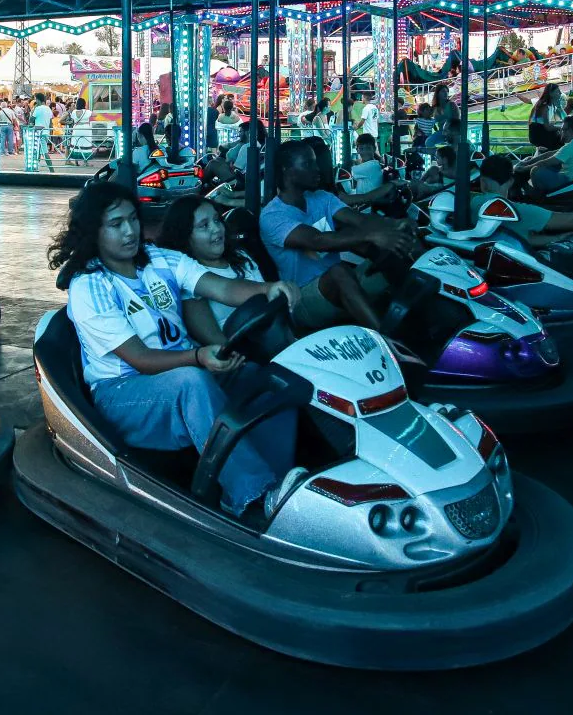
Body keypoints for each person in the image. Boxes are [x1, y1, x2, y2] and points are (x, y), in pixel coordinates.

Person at [53, 183, 303, 518]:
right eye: (115, 224)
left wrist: (268, 288)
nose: (129, 232)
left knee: (267, 381)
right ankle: (251, 496)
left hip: (183, 374)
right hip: (124, 393)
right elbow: (139, 359)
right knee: (192, 383)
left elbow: (221, 286)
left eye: (132, 220)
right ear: (92, 232)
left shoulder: (160, 259)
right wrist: (198, 357)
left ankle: (278, 487)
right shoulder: (91, 286)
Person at [261, 139, 414, 331]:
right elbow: (317, 240)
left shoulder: (322, 198)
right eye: (308, 164)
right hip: (302, 300)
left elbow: (360, 220)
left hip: (342, 285)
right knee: (339, 271)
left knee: (395, 252)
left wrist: (395, 224)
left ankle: (424, 324)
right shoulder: (272, 215)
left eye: (315, 162)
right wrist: (371, 236)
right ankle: (389, 343)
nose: (317, 169)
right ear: (286, 170)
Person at [476, 155, 573, 275]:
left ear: (482, 181)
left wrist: (556, 238)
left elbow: (522, 238)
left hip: (498, 258)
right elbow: (570, 220)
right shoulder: (515, 210)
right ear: (511, 181)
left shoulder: (472, 202)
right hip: (524, 266)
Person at [156, 194, 266, 341]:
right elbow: (218, 343)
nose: (216, 229)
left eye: (217, 220)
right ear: (184, 236)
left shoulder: (241, 257)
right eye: (204, 225)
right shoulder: (190, 282)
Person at [528, 83, 564, 150]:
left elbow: (564, 119)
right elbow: (548, 127)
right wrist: (561, 128)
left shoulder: (549, 105)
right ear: (551, 93)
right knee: (562, 142)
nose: (560, 93)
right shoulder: (544, 107)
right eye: (558, 91)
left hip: (539, 134)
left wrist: (559, 107)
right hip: (540, 136)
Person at [29, 92, 55, 169]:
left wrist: (33, 110)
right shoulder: (48, 109)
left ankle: (51, 170)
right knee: (39, 151)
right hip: (46, 132)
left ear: (38, 100)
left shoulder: (37, 109)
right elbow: (51, 123)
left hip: (39, 133)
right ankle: (35, 167)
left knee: (44, 152)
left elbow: (31, 119)